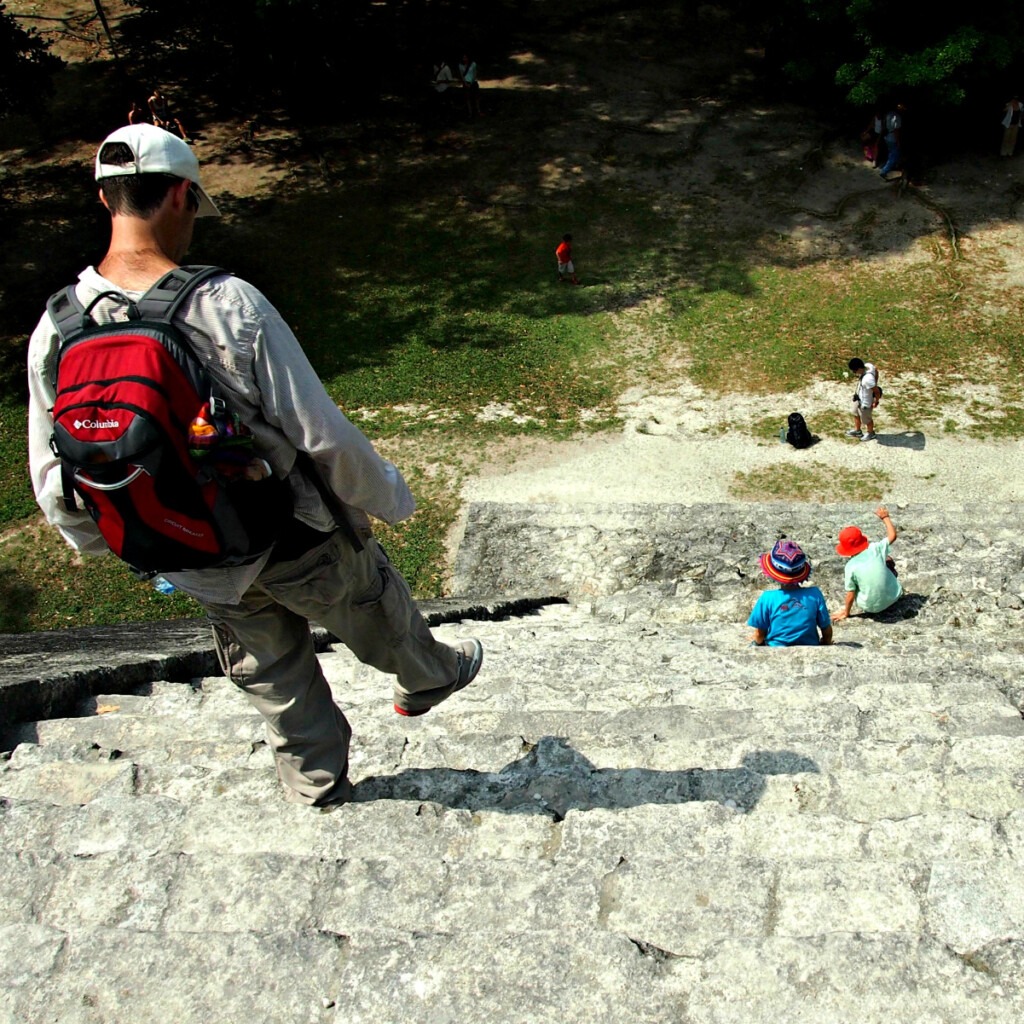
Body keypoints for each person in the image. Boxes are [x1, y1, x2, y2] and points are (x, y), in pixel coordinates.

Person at [27, 123, 483, 807]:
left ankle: (316, 785)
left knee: (271, 671)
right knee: (372, 610)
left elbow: (54, 475)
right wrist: (388, 498)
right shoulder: (225, 303)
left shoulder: (58, 328)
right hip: (288, 530)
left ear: (106, 200)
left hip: (187, 549)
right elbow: (320, 433)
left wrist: (110, 539)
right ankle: (429, 677)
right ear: (181, 194)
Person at [747, 539, 833, 647]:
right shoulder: (815, 594)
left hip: (776, 647)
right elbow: (827, 631)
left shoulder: (767, 598)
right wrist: (825, 643)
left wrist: (756, 642)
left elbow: (759, 635)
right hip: (811, 646)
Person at [832, 506, 903, 622]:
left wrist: (846, 612)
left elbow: (850, 594)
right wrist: (885, 517)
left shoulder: (850, 566)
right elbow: (892, 536)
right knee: (888, 560)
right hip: (895, 595)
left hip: (871, 608)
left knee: (855, 583)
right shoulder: (875, 548)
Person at [846, 356, 880, 441]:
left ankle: (871, 433)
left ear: (859, 368)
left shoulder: (868, 380)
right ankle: (858, 431)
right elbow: (876, 370)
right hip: (858, 398)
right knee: (855, 413)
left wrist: (876, 401)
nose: (854, 373)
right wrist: (875, 380)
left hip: (866, 402)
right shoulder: (868, 366)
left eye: (854, 371)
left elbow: (876, 391)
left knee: (867, 419)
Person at [877, 103, 904, 180]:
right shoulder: (897, 117)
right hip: (892, 137)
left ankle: (894, 166)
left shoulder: (888, 114)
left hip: (887, 136)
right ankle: (884, 171)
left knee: (891, 153)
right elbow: (896, 130)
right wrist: (898, 141)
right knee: (895, 155)